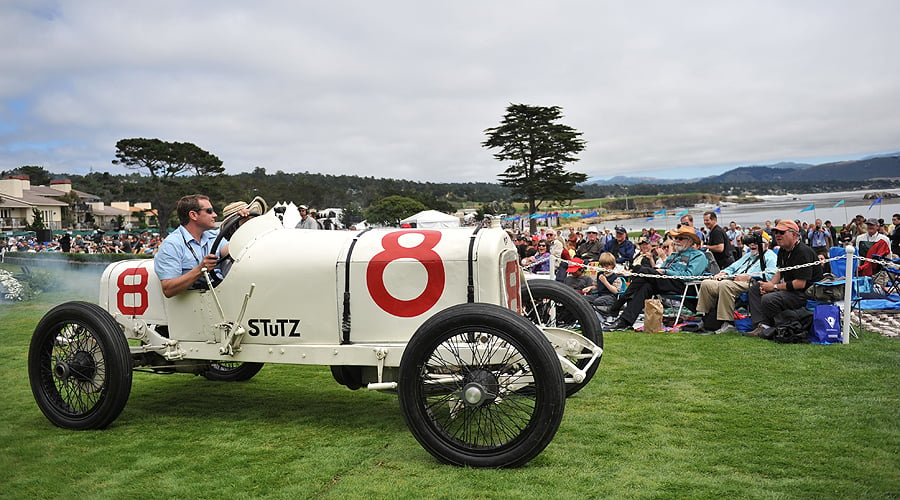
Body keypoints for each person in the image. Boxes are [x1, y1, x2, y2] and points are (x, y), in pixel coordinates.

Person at [600, 226, 708, 331]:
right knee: (646, 286)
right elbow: (662, 269)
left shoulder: (698, 256)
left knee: (644, 271)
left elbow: (689, 276)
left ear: (689, 241)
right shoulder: (674, 255)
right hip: (666, 282)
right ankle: (625, 321)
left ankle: (617, 305)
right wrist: (661, 271)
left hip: (684, 285)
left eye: (680, 238)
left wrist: (665, 272)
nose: (676, 241)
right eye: (675, 238)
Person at [154, 194, 247, 298]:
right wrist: (200, 270)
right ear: (193, 215)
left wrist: (245, 223)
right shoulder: (172, 244)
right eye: (209, 211)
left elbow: (236, 251)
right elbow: (168, 289)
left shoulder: (214, 236)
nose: (215, 215)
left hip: (220, 294)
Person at [745, 219, 823, 337]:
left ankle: (773, 325)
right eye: (776, 232)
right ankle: (759, 325)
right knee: (755, 289)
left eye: (782, 232)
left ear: (794, 234)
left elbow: (800, 284)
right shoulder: (783, 250)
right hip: (792, 290)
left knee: (769, 299)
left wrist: (774, 287)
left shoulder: (803, 252)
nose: (777, 235)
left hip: (805, 293)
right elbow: (780, 272)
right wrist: (768, 286)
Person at [696, 232, 777, 334]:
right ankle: (706, 317)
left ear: (765, 244)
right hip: (734, 281)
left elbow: (772, 275)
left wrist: (749, 276)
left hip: (751, 283)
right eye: (751, 243)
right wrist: (723, 273)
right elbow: (733, 267)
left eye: (756, 243)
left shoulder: (770, 256)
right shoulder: (748, 255)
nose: (752, 245)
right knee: (706, 284)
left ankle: (727, 322)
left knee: (725, 285)